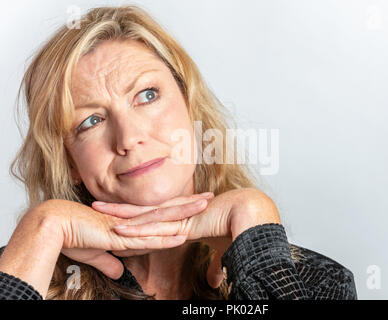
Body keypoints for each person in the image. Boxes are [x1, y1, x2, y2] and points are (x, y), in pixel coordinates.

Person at [0, 5, 357, 300]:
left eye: (147, 95)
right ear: (70, 163)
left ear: (192, 111)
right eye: (91, 121)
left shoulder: (318, 283)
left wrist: (253, 219)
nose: (129, 137)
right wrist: (42, 228)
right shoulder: (20, 272)